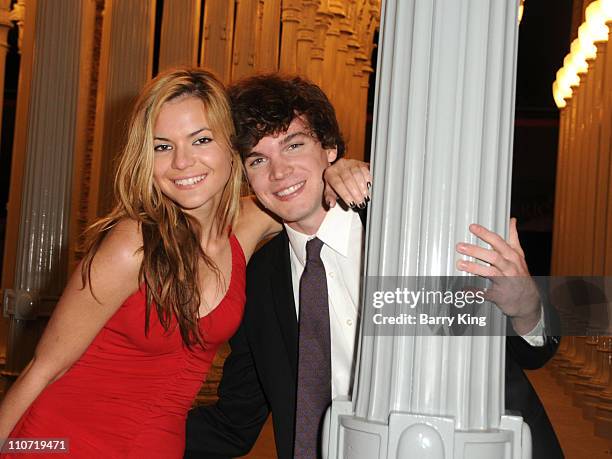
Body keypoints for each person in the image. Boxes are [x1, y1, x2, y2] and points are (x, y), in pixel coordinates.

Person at [184, 74, 563, 459]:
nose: (279, 172)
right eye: (258, 159)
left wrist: (527, 307)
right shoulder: (258, 279)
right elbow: (233, 423)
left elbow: (532, 355)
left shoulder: (411, 228)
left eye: (293, 145)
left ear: (329, 148)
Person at [0, 68, 364, 459]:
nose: (182, 163)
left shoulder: (251, 227)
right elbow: (43, 369)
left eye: (201, 140)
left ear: (229, 149)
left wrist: (346, 172)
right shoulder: (133, 244)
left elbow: (296, 194)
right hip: (62, 442)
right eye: (162, 147)